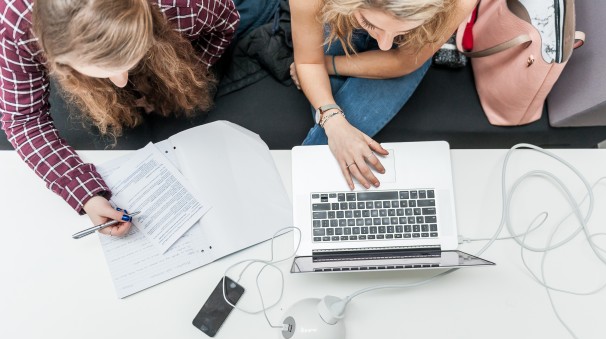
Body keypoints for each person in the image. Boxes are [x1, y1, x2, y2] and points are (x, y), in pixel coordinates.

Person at [0, 0, 278, 237]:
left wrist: (170, 84)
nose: (122, 84)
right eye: (104, 68)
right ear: (56, 59)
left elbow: (226, 21)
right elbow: (23, 119)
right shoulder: (15, 22)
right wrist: (84, 193)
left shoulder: (184, 5)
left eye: (129, 59)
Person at [289, 0, 476, 189]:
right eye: (369, 23)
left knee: (337, 141)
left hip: (410, 50)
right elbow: (309, 63)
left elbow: (404, 61)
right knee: (338, 138)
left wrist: (328, 65)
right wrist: (333, 122)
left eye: (402, 31)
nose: (385, 45)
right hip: (340, 16)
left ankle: (302, 200)